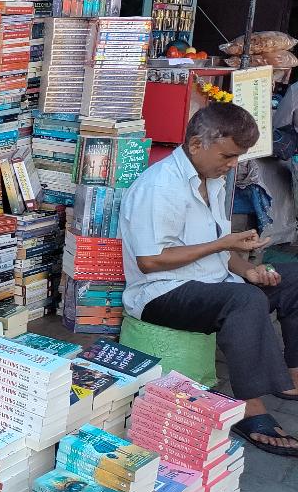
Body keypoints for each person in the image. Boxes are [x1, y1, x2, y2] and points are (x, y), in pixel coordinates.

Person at [120, 102, 298, 456]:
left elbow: (217, 251)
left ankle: (291, 377)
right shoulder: (160, 187)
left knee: (290, 278)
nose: (233, 164)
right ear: (197, 144)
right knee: (243, 302)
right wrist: (224, 243)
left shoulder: (211, 180)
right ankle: (251, 407)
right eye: (228, 155)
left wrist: (248, 269)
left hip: (209, 282)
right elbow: (151, 260)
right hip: (160, 293)